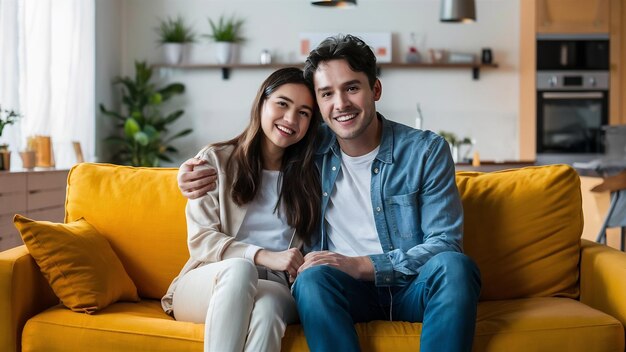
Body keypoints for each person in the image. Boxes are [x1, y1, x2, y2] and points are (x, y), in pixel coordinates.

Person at [178, 34, 481, 352]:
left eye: (352, 87)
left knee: (455, 266)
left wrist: (361, 264)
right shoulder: (308, 147)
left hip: (410, 287)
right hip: (341, 292)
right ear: (319, 105)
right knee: (311, 280)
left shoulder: (424, 151)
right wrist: (188, 173)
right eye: (326, 94)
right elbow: (252, 150)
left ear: (375, 89)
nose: (341, 104)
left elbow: (445, 242)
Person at [162, 67, 321, 352]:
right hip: (210, 279)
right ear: (262, 103)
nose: (290, 119)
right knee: (240, 269)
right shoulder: (215, 161)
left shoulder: (311, 177)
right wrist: (265, 256)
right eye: (282, 104)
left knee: (269, 307)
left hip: (276, 286)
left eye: (304, 113)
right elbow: (201, 241)